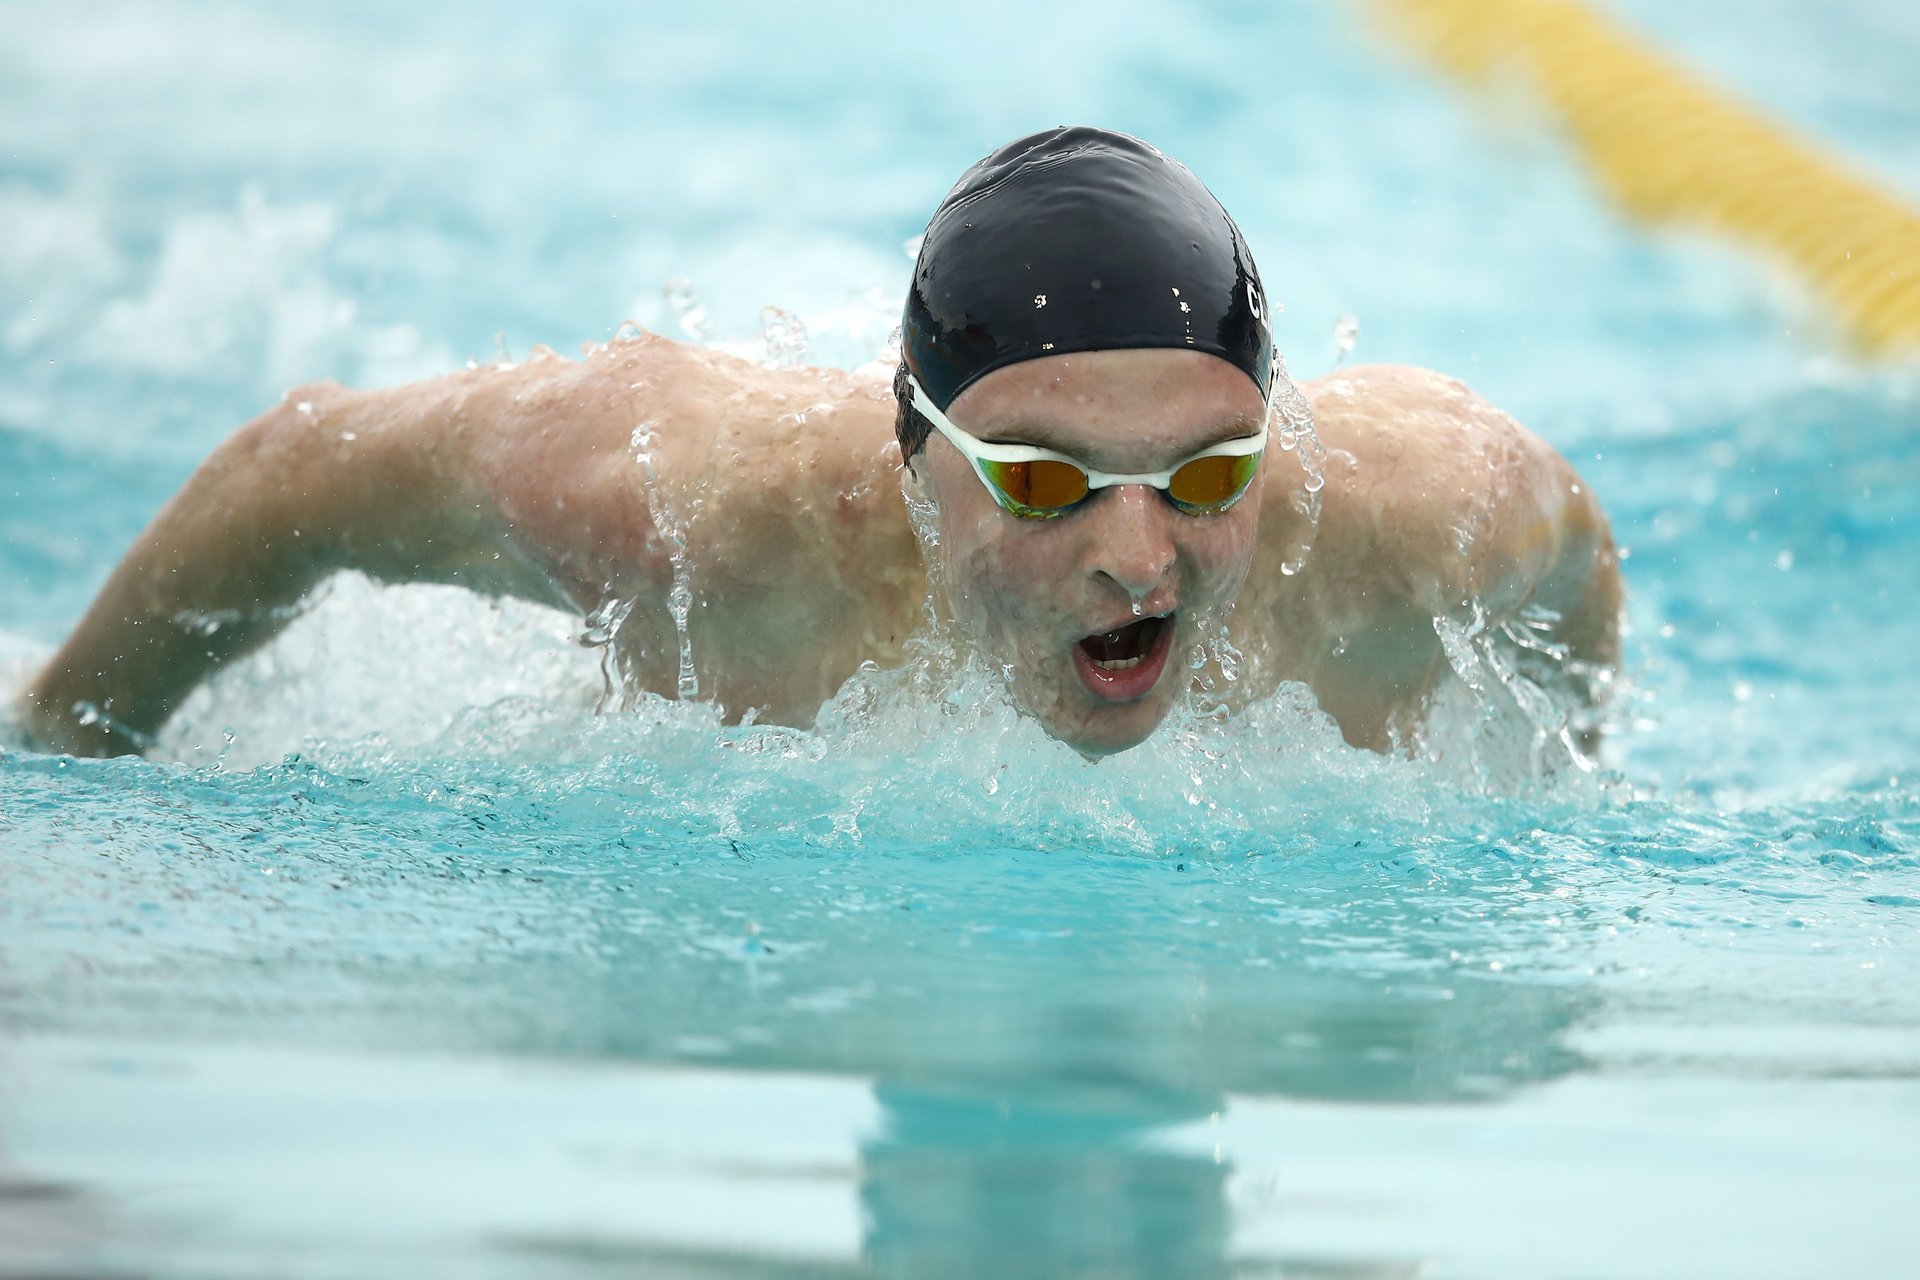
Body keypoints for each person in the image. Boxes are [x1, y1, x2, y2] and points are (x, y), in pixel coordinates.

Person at [17, 126, 1620, 761]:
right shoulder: (685, 518)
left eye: (1207, 475)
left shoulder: (1416, 520)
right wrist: (64, 751)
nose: (1137, 557)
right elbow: (289, 473)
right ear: (909, 452)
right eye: (1044, 482)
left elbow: (1575, 558)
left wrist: (1562, 779)